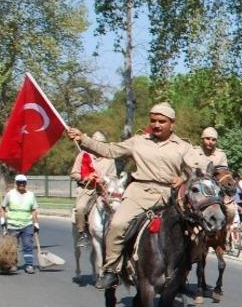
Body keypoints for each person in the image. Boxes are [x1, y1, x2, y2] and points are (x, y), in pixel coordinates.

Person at [65, 102, 201, 289]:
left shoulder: (184, 146)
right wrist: (83, 139)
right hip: (139, 192)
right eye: (153, 120)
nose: (157, 125)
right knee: (117, 224)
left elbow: (196, 169)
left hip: (169, 194)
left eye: (162, 121)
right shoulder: (138, 141)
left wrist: (183, 177)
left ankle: (183, 268)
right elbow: (110, 150)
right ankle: (112, 269)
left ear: (172, 123)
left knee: (194, 231)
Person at [69, 131, 117, 247]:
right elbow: (73, 174)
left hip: (104, 190)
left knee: (117, 208)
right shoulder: (83, 155)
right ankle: (83, 234)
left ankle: (116, 235)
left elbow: (113, 177)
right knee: (80, 208)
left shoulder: (109, 159)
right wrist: (86, 177)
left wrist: (104, 179)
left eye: (101, 144)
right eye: (96, 143)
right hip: (87, 189)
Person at [192, 126, 236, 226]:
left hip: (215, 189)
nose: (210, 142)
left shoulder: (221, 155)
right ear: (202, 139)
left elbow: (224, 174)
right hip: (196, 189)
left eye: (213, 140)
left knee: (231, 210)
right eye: (207, 139)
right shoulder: (193, 152)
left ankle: (226, 232)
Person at [0, 174, 39, 274]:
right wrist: (2, 219)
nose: (21, 184)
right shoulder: (10, 194)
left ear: (26, 183)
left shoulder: (31, 195)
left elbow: (34, 210)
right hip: (13, 225)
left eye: (23, 182)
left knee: (27, 245)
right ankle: (13, 264)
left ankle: (29, 264)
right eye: (19, 182)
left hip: (27, 224)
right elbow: (3, 207)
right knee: (13, 246)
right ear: (16, 183)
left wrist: (36, 223)